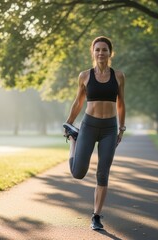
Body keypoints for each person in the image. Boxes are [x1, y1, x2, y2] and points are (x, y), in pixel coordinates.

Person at [63, 36, 126, 230]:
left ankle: (96, 216)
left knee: (103, 173)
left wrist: (121, 128)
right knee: (78, 172)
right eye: (97, 49)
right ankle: (74, 140)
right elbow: (78, 102)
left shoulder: (118, 76)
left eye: (104, 49)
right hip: (89, 126)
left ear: (110, 53)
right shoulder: (84, 76)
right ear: (93, 52)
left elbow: (121, 103)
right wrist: (69, 123)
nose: (101, 53)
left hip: (109, 129)